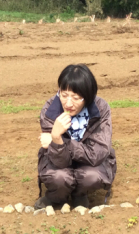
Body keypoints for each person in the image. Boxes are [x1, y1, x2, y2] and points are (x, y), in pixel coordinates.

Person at [36, 64, 117, 209]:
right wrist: (56, 136)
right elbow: (60, 163)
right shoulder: (50, 110)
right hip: (60, 163)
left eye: (75, 97)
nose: (68, 103)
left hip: (89, 164)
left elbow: (96, 154)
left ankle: (80, 194)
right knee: (59, 177)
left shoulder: (101, 108)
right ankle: (55, 197)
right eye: (64, 95)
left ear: (87, 97)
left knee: (91, 177)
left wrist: (59, 141)